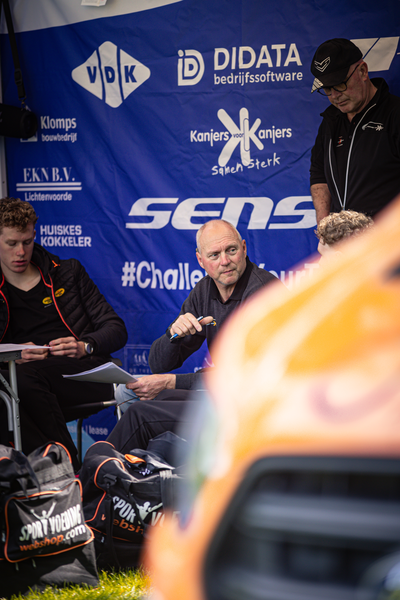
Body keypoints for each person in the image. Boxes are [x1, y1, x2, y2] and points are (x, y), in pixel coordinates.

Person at [108, 219, 280, 452]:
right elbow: (158, 364)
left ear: (244, 249)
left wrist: (171, 382)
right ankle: (148, 472)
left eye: (231, 250)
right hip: (221, 393)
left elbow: (248, 377)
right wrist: (173, 334)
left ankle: (106, 476)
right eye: (214, 255)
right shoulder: (204, 290)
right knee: (129, 392)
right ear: (200, 260)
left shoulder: (263, 291)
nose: (225, 261)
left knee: (143, 411)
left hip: (252, 403)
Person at [0, 197, 127, 469]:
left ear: (35, 235)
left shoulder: (68, 273)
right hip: (20, 381)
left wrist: (84, 346)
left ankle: (69, 472)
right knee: (12, 385)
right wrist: (11, 356)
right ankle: (43, 481)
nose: (21, 252)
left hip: (82, 373)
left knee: (19, 382)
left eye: (27, 242)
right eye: (11, 243)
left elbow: (116, 330)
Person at [309, 38, 400, 224]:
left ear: (363, 71)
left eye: (340, 84)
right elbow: (319, 173)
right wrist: (324, 223)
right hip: (344, 247)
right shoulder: (330, 121)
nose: (334, 95)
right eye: (327, 88)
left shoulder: (395, 114)